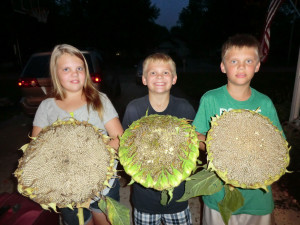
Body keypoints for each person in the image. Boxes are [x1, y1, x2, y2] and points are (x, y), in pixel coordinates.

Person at [193, 33, 283, 225]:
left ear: (257, 66)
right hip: (219, 194)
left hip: (257, 196)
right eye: (234, 61)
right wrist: (216, 148)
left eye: (248, 60)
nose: (241, 66)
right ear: (223, 67)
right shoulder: (211, 99)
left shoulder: (264, 103)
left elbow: (278, 146)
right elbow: (195, 135)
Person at [32, 44, 123, 225]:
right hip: (67, 189)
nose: (74, 73)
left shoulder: (100, 100)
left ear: (86, 72)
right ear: (56, 73)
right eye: (66, 69)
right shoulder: (46, 107)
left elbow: (119, 139)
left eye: (79, 68)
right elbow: (36, 148)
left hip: (103, 183)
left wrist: (92, 153)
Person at [122, 53, 195, 225]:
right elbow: (125, 147)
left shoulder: (184, 108)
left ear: (174, 79)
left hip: (178, 198)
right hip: (144, 199)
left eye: (166, 72)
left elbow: (192, 145)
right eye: (153, 73)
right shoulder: (134, 109)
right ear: (144, 79)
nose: (160, 77)